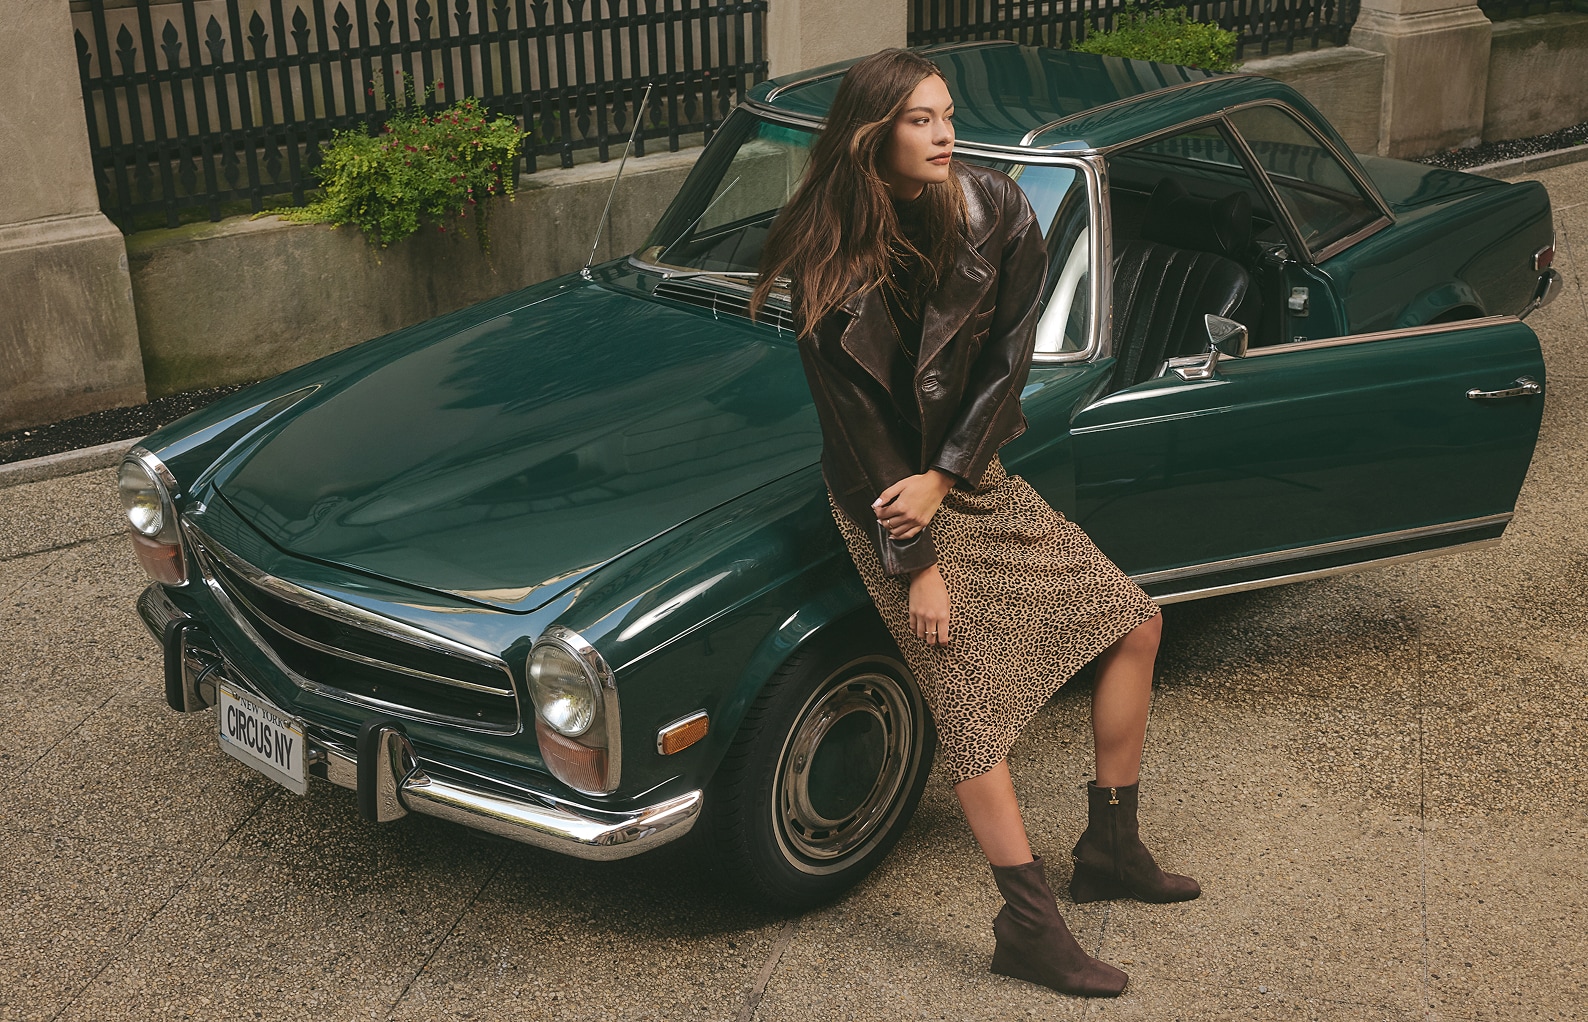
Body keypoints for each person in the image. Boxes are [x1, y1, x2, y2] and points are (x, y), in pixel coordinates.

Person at [750, 49, 1200, 998]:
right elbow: (860, 431)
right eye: (920, 120)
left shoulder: (998, 208)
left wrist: (948, 478)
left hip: (966, 472)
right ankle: (1029, 927)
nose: (944, 133)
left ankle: (1110, 847)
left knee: (1136, 622)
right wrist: (915, 563)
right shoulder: (823, 267)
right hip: (883, 500)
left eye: (946, 114)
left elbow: (1009, 361)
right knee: (974, 715)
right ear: (873, 136)